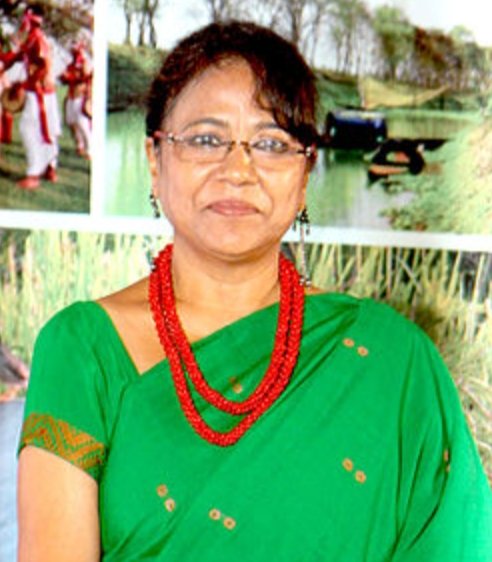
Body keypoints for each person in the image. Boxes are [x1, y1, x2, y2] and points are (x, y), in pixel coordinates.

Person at [17, 21, 491, 562]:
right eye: (206, 139)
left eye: (270, 143)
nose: (238, 170)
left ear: (305, 173)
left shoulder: (395, 361)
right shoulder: (83, 348)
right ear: (154, 159)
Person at [1, 7, 61, 189]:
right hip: (41, 92)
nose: (22, 22)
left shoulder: (38, 39)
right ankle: (50, 168)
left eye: (25, 18)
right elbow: (13, 58)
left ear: (31, 20)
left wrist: (26, 84)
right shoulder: (31, 40)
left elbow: (45, 65)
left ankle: (34, 175)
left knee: (29, 129)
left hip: (39, 92)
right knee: (46, 131)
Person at [59, 41, 92, 159]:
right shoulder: (71, 64)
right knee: (71, 122)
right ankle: (80, 144)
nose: (73, 52)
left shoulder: (84, 63)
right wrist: (64, 77)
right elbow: (65, 78)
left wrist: (72, 77)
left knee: (82, 123)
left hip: (80, 96)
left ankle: (90, 149)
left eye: (75, 50)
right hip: (71, 96)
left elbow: (86, 78)